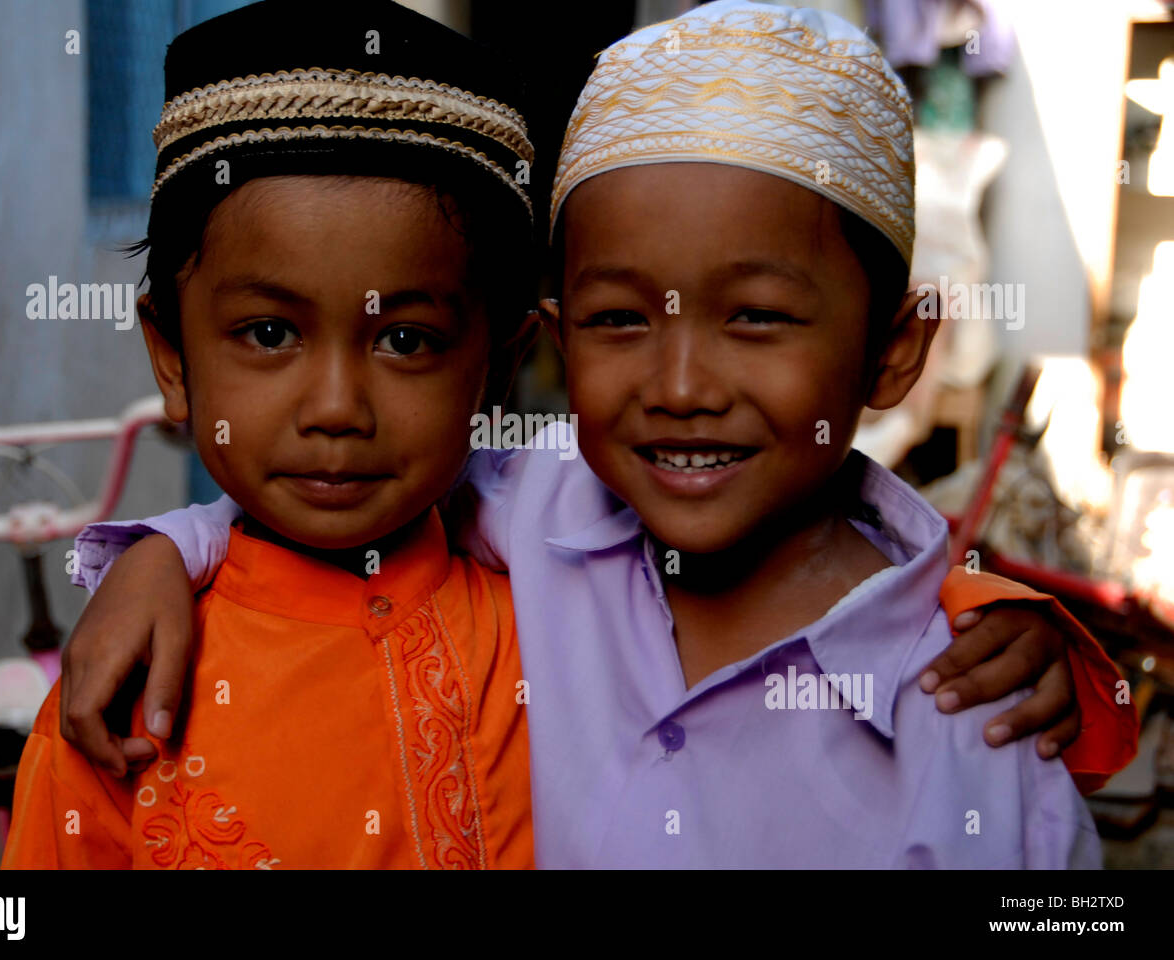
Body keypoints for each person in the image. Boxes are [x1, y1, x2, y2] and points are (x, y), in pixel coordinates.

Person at [59, 1, 1135, 867]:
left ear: (896, 350)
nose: (678, 385)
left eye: (754, 316)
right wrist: (163, 551)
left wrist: (1004, 609)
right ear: (559, 342)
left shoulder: (975, 725)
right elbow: (339, 476)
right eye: (622, 319)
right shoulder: (541, 514)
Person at [1, 0, 538, 869]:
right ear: (173, 360)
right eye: (269, 333)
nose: (336, 408)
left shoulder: (569, 636)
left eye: (406, 340)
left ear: (497, 368)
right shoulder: (117, 701)